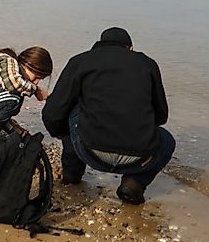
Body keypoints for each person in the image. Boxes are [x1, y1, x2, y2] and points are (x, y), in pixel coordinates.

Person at [41, 27, 175, 205]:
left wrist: (59, 132)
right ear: (131, 48)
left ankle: (71, 173)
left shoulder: (81, 61)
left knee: (71, 109)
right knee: (167, 140)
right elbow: (161, 116)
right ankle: (134, 182)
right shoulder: (147, 64)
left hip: (89, 152)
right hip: (139, 158)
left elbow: (53, 110)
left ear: (98, 45)